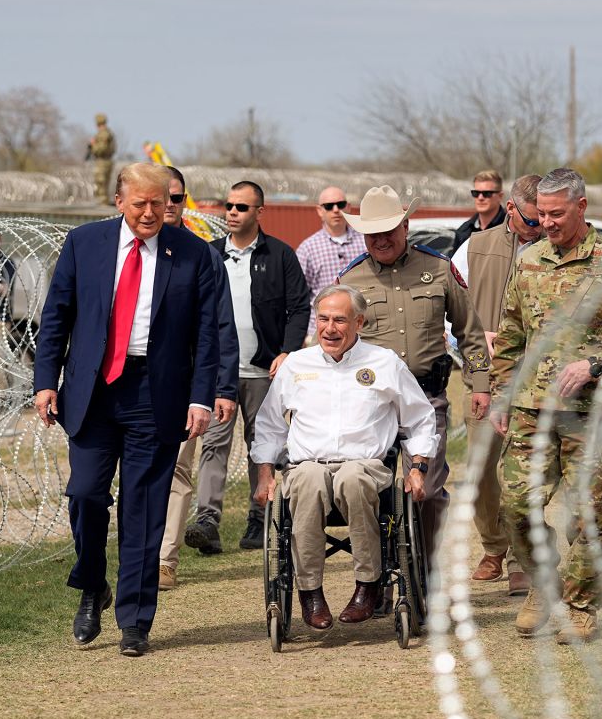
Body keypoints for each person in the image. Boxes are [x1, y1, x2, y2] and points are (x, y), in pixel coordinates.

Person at [34, 162, 231, 656]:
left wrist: (201, 396)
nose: (150, 212)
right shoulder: (85, 244)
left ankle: (135, 620)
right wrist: (45, 382)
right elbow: (56, 315)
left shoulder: (194, 255)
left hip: (157, 393)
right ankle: (91, 584)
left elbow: (208, 333)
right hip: (93, 389)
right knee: (84, 494)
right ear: (119, 202)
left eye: (159, 202)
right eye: (139, 203)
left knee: (144, 510)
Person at [489, 168, 602, 643]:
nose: (547, 222)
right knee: (516, 505)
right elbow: (510, 333)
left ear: (582, 208)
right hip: (530, 409)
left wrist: (597, 364)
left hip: (592, 413)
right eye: (540, 214)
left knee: (588, 516)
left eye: (556, 214)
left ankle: (581, 606)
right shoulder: (528, 261)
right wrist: (501, 391)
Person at [251, 284, 437, 630]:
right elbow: (269, 424)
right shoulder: (296, 365)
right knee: (306, 481)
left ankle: (368, 586)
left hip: (366, 467)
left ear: (359, 322)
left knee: (352, 479)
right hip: (308, 465)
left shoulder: (384, 363)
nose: (330, 328)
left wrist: (418, 469)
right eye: (323, 319)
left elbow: (420, 418)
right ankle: (310, 593)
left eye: (340, 319)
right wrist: (265, 474)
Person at [338, 185, 491, 562]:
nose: (380, 240)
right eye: (372, 233)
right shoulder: (350, 280)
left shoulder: (438, 268)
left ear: (405, 226)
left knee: (430, 489)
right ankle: (375, 576)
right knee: (368, 490)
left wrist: (481, 385)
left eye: (388, 230)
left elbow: (469, 333)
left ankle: (426, 574)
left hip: (427, 398)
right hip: (370, 404)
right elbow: (335, 345)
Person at [183, 180, 311, 557]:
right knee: (213, 446)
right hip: (218, 373)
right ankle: (208, 521)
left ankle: (261, 515)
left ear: (260, 212)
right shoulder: (209, 254)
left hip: (263, 372)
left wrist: (287, 351)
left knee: (264, 446)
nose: (233, 212)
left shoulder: (280, 255)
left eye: (242, 207)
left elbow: (299, 307)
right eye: (229, 205)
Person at [454, 174, 544, 595]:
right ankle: (493, 544)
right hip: (484, 378)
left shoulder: (558, 249)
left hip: (538, 379)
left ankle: (519, 559)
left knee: (526, 472)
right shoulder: (473, 248)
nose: (541, 226)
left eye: (546, 217)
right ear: (511, 210)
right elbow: (450, 316)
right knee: (480, 471)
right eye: (532, 219)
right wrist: (476, 346)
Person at [157, 166, 239, 591]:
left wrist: (223, 387)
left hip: (186, 383)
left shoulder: (202, 254)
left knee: (176, 470)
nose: (170, 205)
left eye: (177, 198)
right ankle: (140, 551)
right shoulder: (124, 249)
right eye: (163, 196)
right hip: (130, 383)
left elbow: (221, 325)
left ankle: (164, 560)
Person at [295, 186, 365, 340]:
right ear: (320, 211)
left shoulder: (366, 242)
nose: (335, 210)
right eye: (328, 206)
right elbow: (298, 298)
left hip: (362, 330)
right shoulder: (308, 248)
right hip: (322, 332)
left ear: (348, 207)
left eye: (340, 205)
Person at [450, 169, 507, 256]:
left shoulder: (510, 229)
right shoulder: (464, 230)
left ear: (500, 196)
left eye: (487, 193)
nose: (480, 198)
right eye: (476, 193)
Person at [88, 113, 116, 205]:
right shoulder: (108, 132)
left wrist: (93, 145)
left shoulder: (103, 134)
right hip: (106, 160)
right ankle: (103, 202)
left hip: (102, 161)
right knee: (103, 183)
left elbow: (101, 149)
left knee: (101, 182)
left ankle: (102, 203)